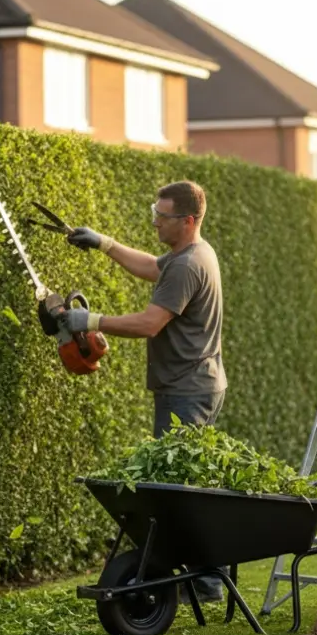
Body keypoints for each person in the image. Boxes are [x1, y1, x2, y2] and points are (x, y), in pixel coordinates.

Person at [57, 180, 228, 602]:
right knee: (186, 484)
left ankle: (206, 584)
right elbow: (153, 267)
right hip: (193, 383)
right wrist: (105, 243)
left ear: (187, 221)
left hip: (186, 390)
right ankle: (202, 580)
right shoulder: (187, 256)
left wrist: (90, 321)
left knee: (182, 489)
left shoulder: (188, 265)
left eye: (162, 215)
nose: (154, 220)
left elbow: (150, 323)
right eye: (155, 210)